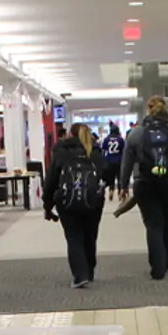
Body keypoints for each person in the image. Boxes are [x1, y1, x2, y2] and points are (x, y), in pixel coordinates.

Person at [119, 95, 168, 280]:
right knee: (166, 221)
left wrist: (123, 185)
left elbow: (127, 162)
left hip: (145, 184)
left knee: (153, 224)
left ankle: (158, 266)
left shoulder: (136, 133)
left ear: (148, 109)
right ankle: (165, 259)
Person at [43, 123, 106, 288]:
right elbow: (104, 175)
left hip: (67, 202)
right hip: (93, 202)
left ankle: (80, 274)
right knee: (90, 235)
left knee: (74, 237)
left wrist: (47, 205)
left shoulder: (61, 152)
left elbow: (50, 180)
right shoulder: (96, 152)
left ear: (70, 134)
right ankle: (89, 270)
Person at [100, 123, 125, 201]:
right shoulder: (120, 139)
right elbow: (123, 150)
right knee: (119, 177)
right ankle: (120, 193)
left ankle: (111, 191)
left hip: (109, 160)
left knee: (111, 178)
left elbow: (104, 150)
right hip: (119, 160)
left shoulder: (107, 139)